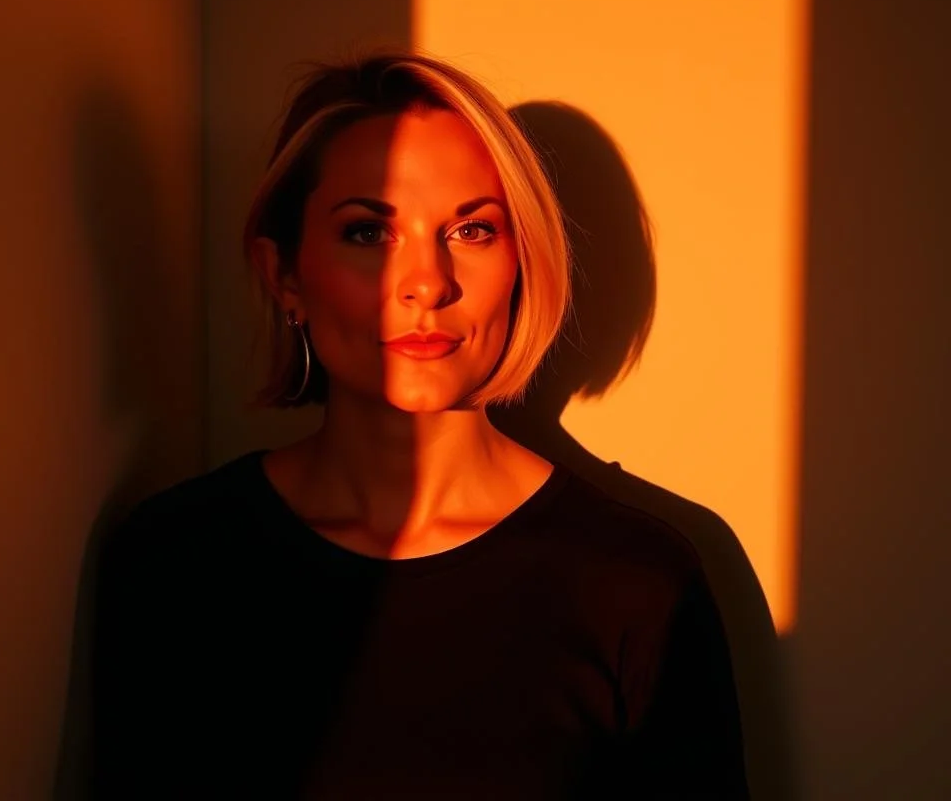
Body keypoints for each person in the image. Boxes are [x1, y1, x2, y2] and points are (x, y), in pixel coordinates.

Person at [92, 50, 750, 798]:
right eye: (368, 233)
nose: (428, 284)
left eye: (472, 232)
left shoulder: (639, 581)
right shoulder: (172, 559)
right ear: (285, 277)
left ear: (524, 265)